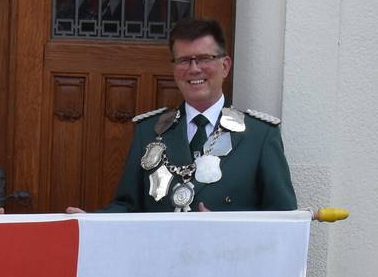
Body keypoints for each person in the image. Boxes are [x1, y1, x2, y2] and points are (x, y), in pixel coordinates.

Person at [74, 17, 295, 214]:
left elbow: (284, 223)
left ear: (225, 66)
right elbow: (128, 206)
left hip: (227, 259)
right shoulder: (148, 131)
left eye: (204, 58)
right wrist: (91, 224)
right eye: (184, 60)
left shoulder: (260, 136)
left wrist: (229, 233)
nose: (194, 69)